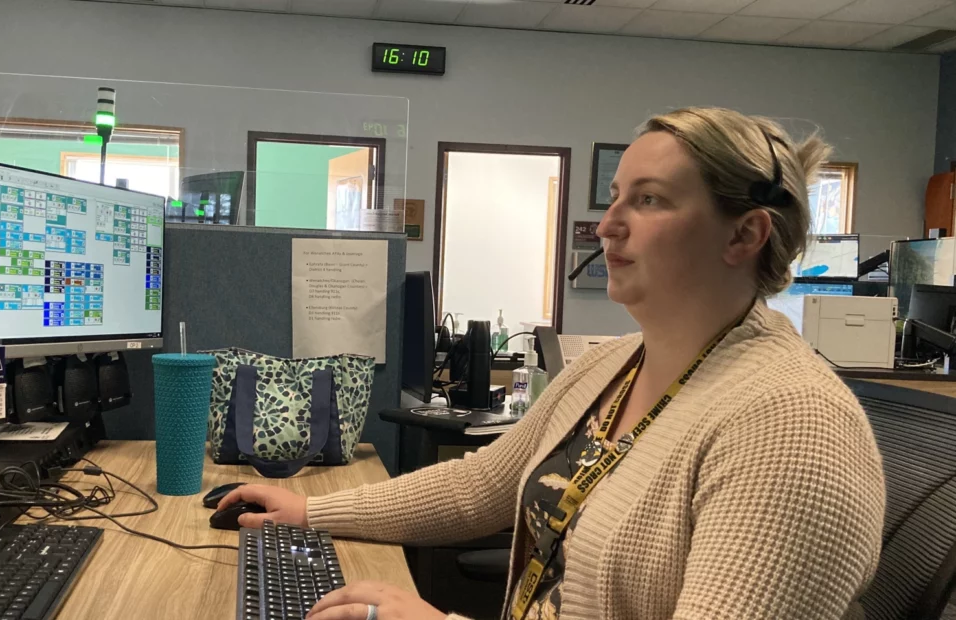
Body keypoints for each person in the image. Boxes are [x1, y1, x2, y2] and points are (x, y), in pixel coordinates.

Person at [219, 107, 886, 620]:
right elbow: (478, 489)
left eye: (649, 199)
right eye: (617, 195)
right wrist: (310, 512)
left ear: (744, 234)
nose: (607, 224)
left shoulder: (794, 428)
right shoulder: (615, 365)